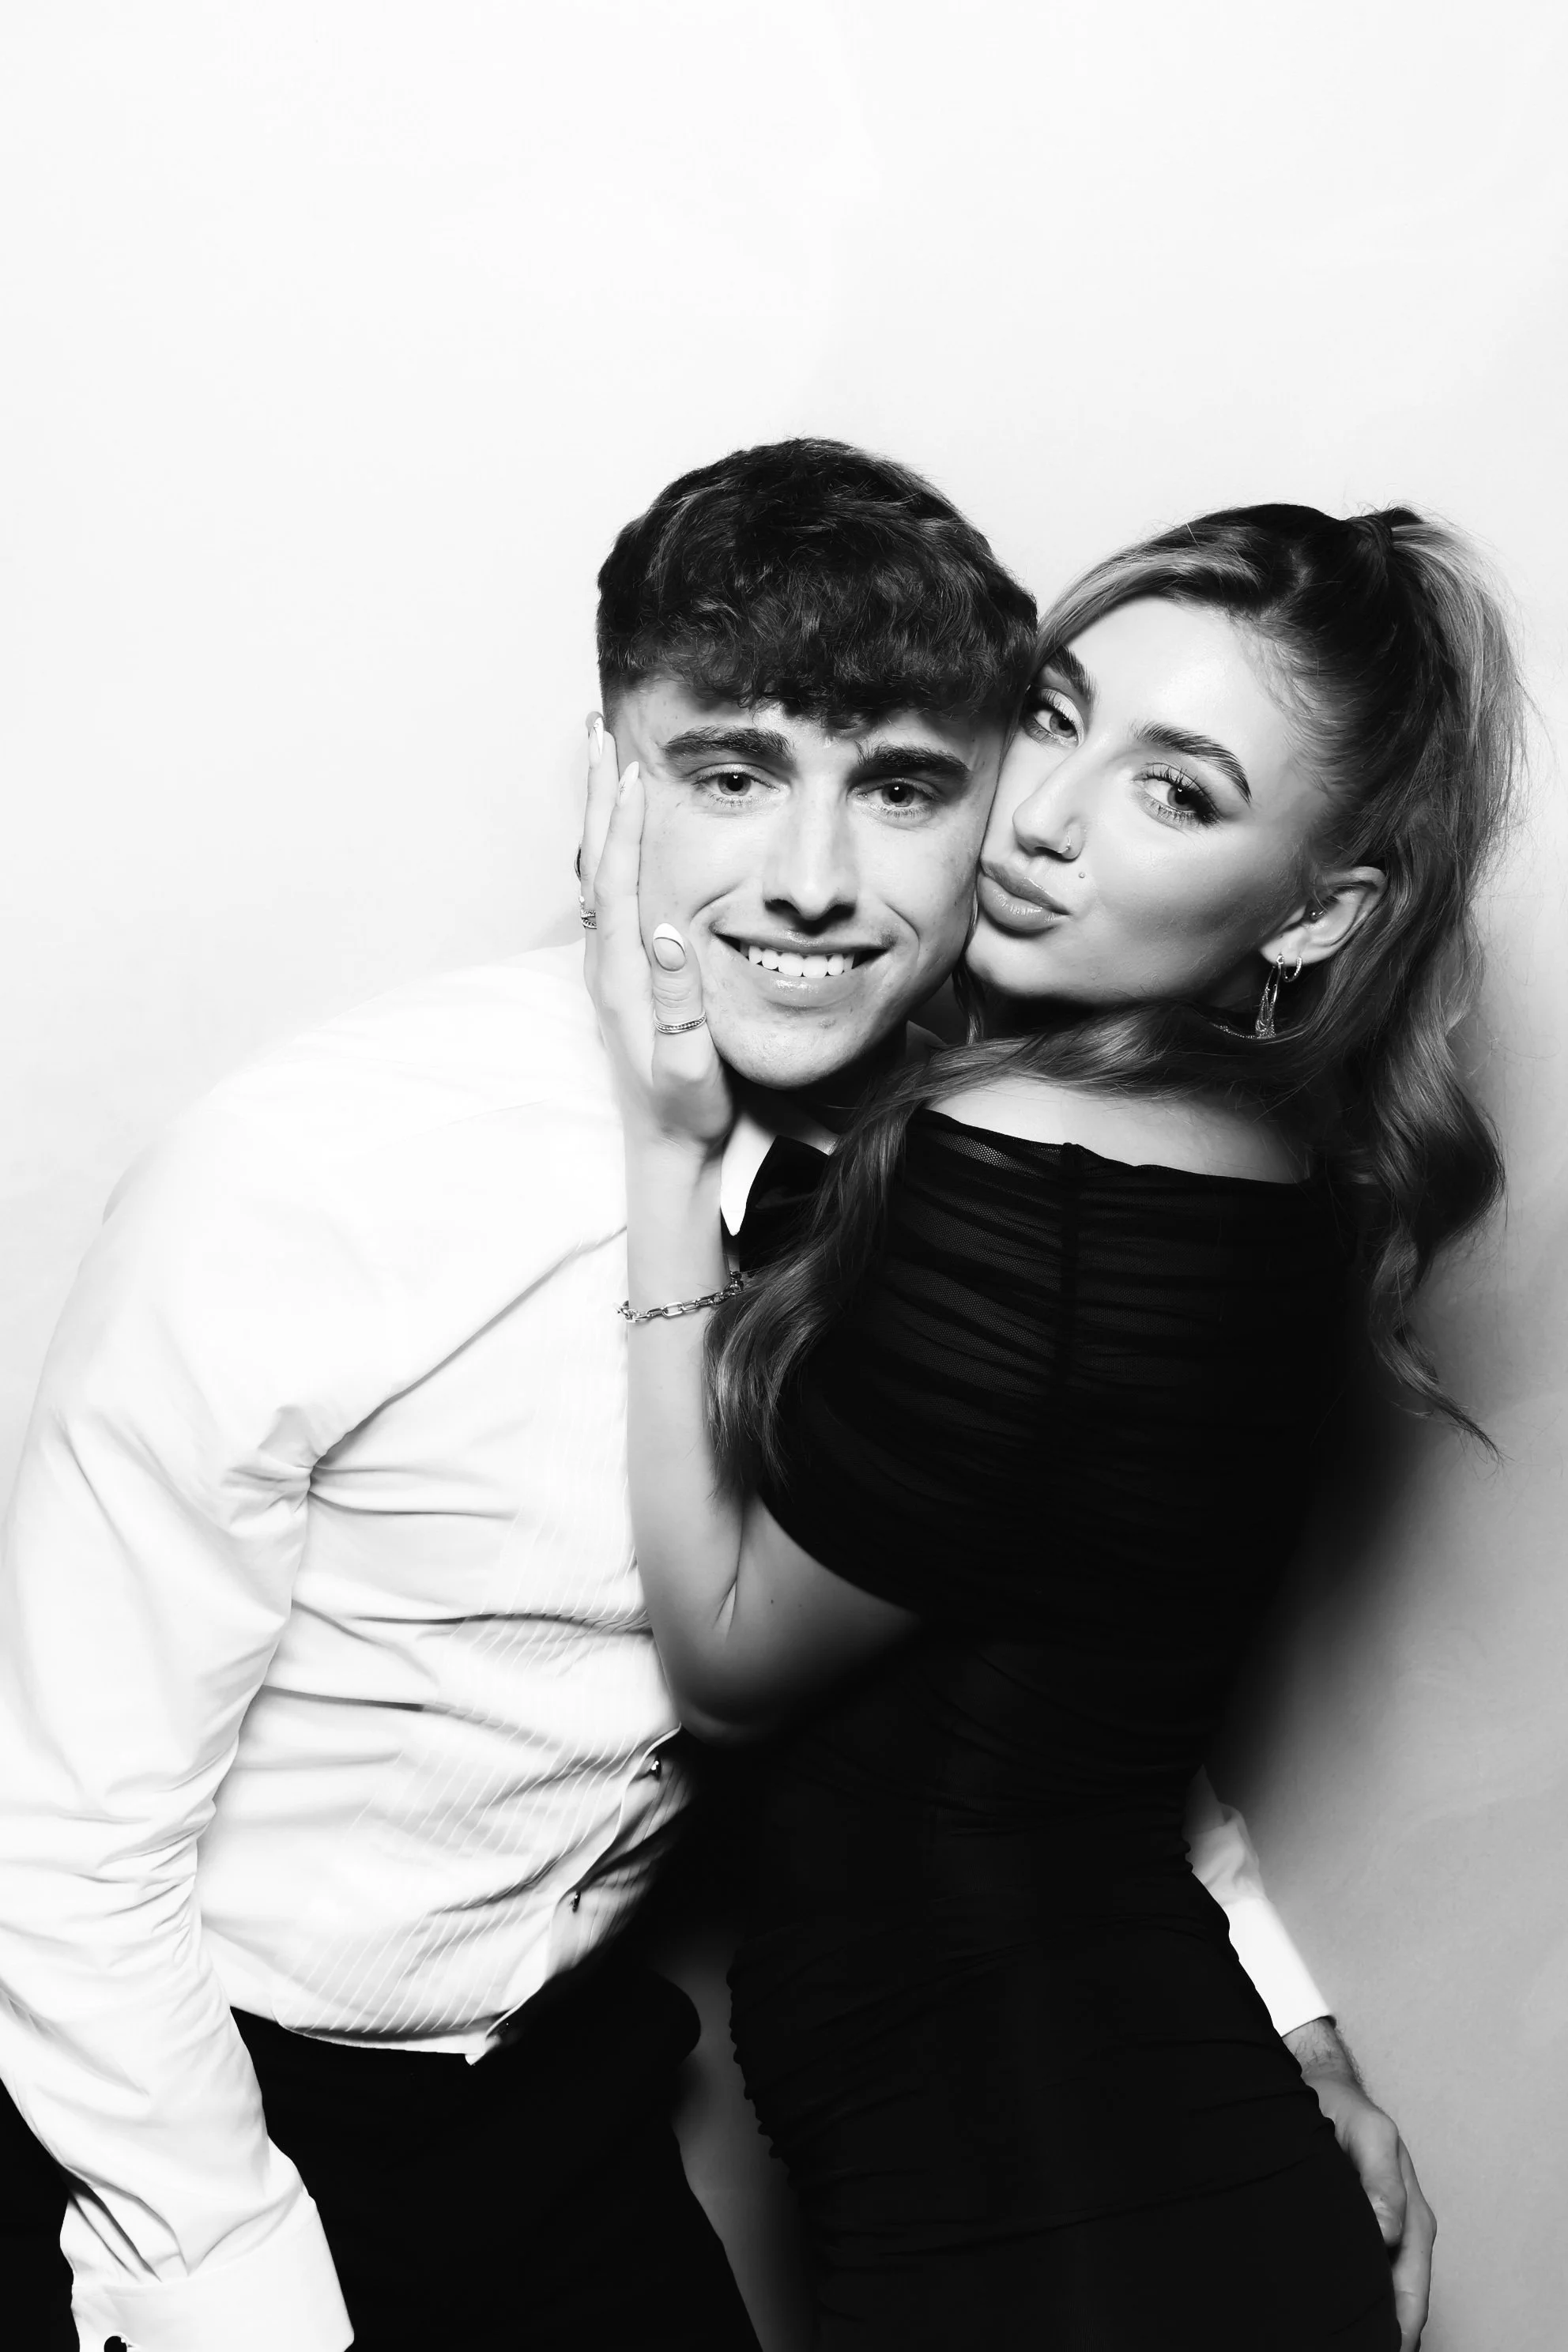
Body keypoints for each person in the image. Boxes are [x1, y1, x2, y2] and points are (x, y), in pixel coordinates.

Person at [0, 445, 1429, 2352]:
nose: (818, 886)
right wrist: (222, 2269)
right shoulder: (317, 1169)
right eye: (732, 773)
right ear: (609, 784)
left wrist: (1281, 2007)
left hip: (558, 2095)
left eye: (906, 786)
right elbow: (60, 1834)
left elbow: (1036, 1634)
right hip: (187, 2095)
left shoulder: (978, 1170)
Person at [582, 494, 1521, 2347]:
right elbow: (1062, 1698)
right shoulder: (1271, 1174)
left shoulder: (1019, 1159)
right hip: (1126, 2154)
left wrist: (666, 1156)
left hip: (1040, 2220)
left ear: (1321, 909)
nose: (1045, 818)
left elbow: (729, 1658)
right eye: (1059, 712)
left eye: (1177, 793)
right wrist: (1299, 2025)